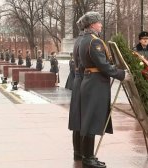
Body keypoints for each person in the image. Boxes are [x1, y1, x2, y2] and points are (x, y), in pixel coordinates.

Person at [79, 11, 130, 168]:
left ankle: (89, 156)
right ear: (92, 24)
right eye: (99, 22)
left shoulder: (84, 40)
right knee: (92, 122)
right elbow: (103, 65)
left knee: (89, 121)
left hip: (90, 83)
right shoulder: (95, 42)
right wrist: (121, 74)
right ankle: (88, 158)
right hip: (95, 85)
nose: (101, 24)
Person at [68, 16, 85, 162]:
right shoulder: (85, 41)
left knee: (77, 120)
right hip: (84, 83)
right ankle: (82, 153)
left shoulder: (78, 40)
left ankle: (78, 152)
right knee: (82, 119)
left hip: (78, 82)